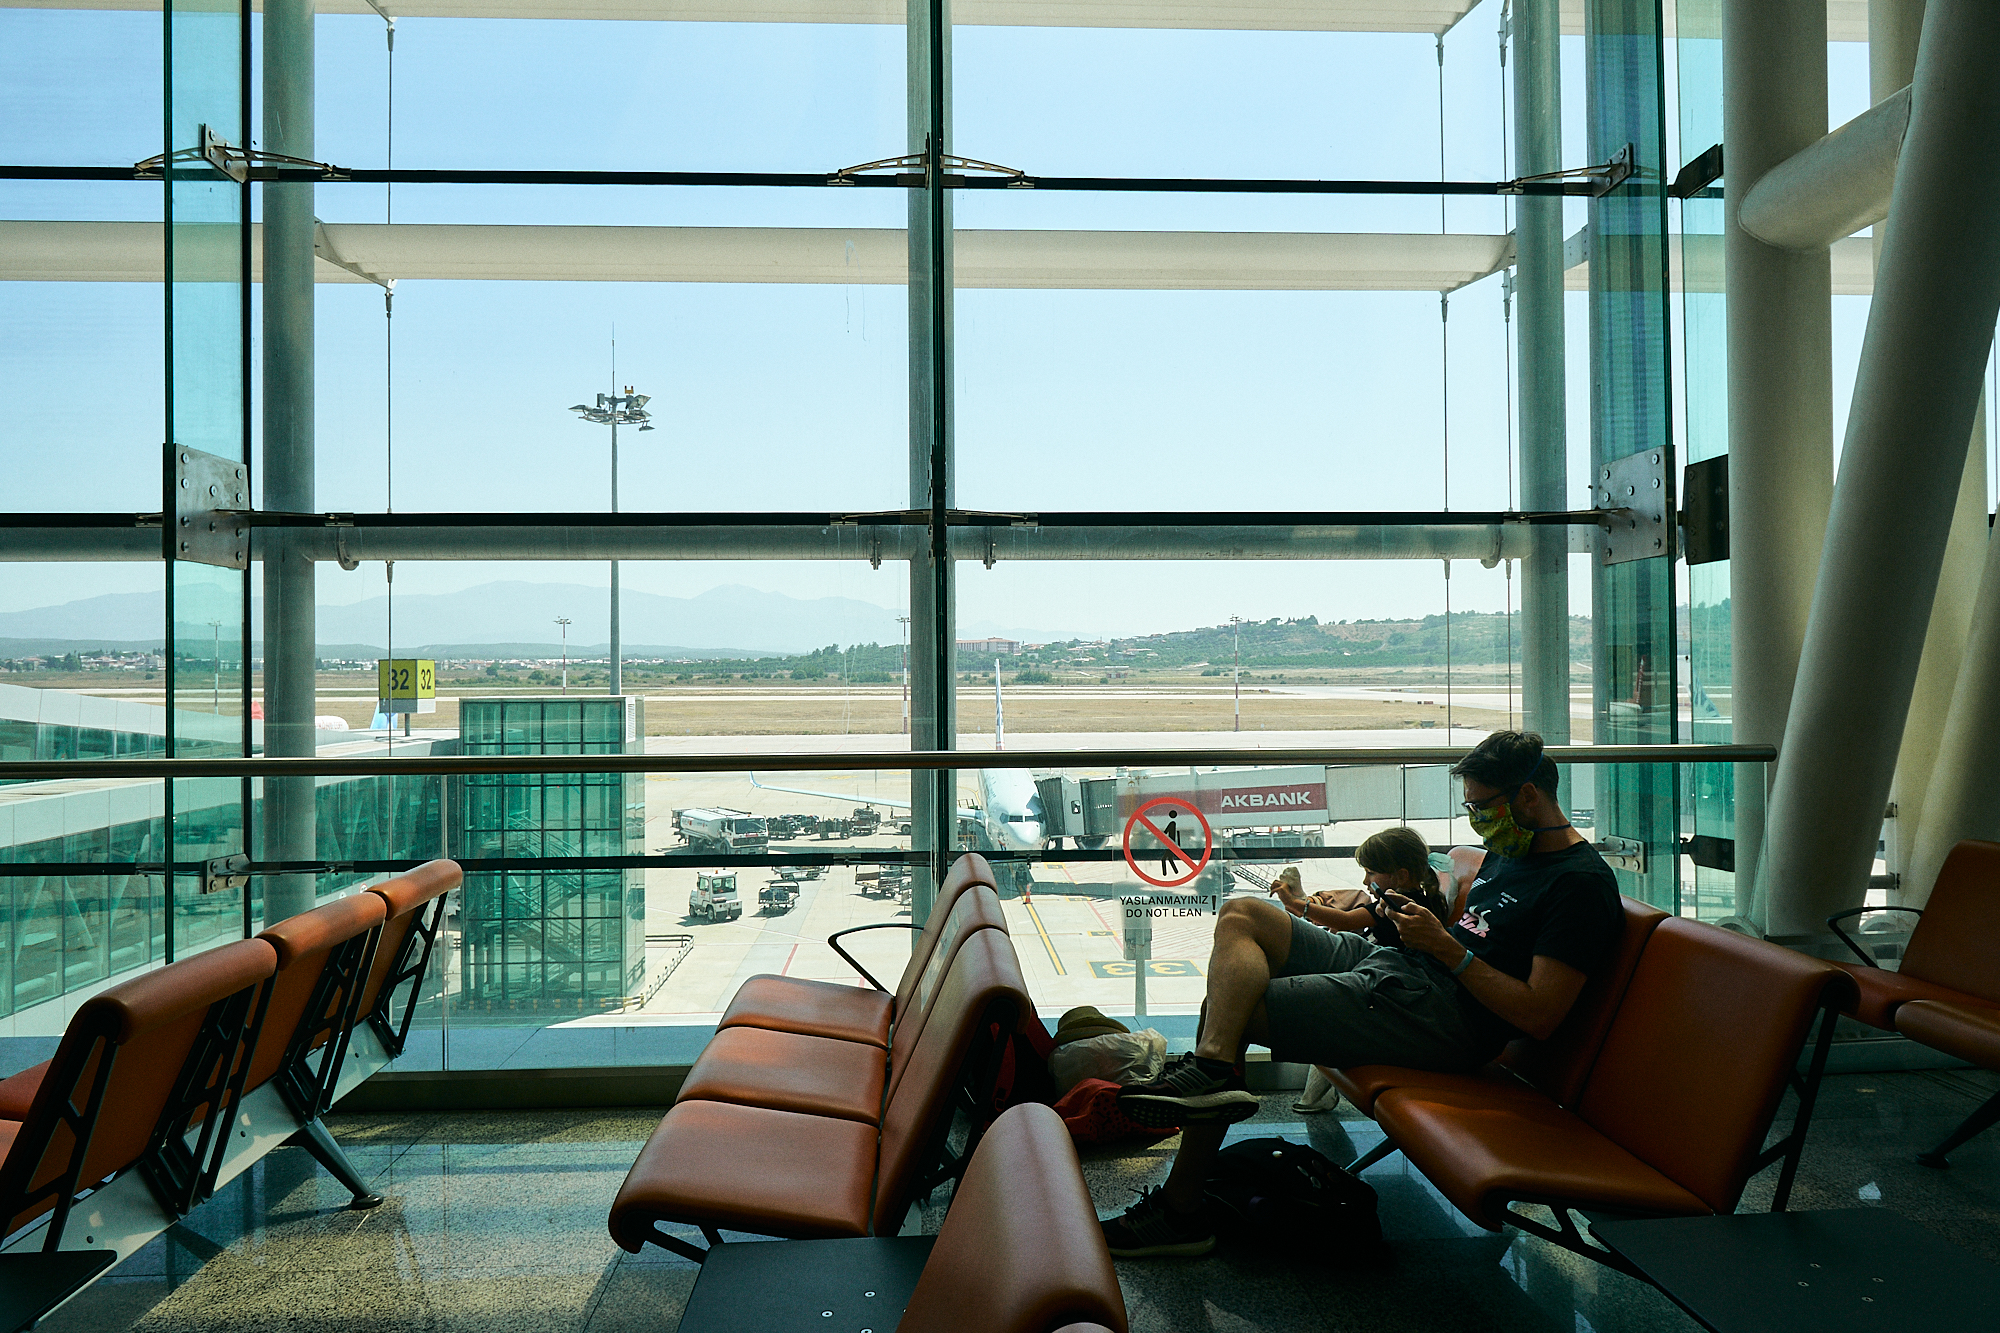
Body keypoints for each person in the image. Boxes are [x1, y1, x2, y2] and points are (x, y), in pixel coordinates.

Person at [1098, 731, 1620, 1258]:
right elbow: (1475, 930)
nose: (1476, 820)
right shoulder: (1512, 852)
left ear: (1528, 795)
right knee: (1243, 913)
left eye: (1482, 807)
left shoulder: (1578, 884)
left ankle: (1181, 1209)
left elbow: (1539, 1014)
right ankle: (1213, 1069)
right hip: (1404, 967)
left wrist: (1446, 950)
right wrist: (1416, 925)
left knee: (1229, 1008)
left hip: (1441, 1016)